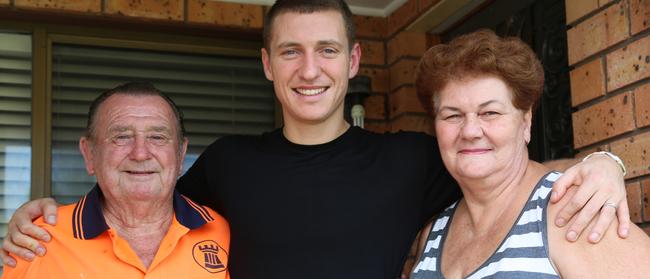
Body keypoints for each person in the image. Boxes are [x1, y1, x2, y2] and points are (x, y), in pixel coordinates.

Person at [0, 1, 632, 278]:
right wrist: (41, 215)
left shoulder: (410, 158)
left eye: (327, 49)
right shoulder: (227, 163)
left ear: (353, 60)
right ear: (268, 64)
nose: (310, 70)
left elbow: (507, 175)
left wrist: (602, 162)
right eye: (291, 51)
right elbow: (137, 205)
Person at [410, 30, 650, 279]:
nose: (470, 130)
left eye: (490, 112)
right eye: (452, 115)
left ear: (526, 123)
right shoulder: (434, 233)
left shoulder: (574, 212)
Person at [1, 82, 230, 278]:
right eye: (121, 137)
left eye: (157, 137)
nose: (140, 153)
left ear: (180, 154)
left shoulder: (220, 231)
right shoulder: (37, 240)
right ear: (90, 154)